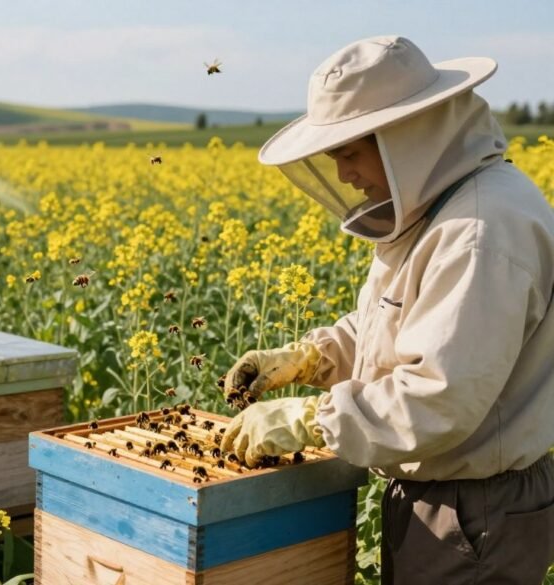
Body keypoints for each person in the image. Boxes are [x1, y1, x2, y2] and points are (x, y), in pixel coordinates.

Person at [218, 36, 554, 584]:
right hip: (450, 500)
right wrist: (311, 358)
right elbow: (398, 324)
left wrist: (308, 418)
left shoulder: (479, 231)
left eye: (350, 151)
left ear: (407, 135)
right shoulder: (441, 207)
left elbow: (439, 395)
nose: (344, 173)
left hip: (475, 511)